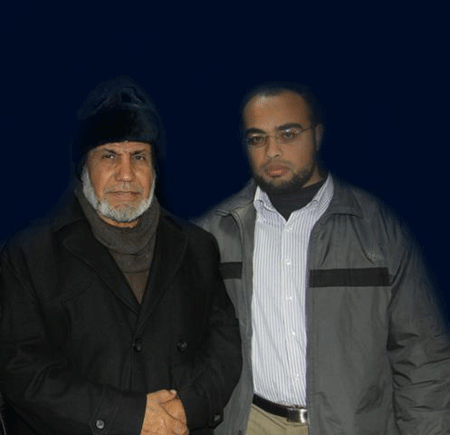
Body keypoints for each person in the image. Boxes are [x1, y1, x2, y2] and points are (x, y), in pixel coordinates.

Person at [197, 82, 450, 434]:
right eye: (257, 138)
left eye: (288, 134)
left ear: (317, 135)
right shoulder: (215, 233)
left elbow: (421, 357)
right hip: (253, 423)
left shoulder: (378, 230)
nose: (272, 151)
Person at [0, 78, 241, 435]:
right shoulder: (29, 255)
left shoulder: (197, 247)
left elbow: (224, 349)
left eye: (139, 157)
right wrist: (129, 416)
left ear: (155, 168)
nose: (126, 174)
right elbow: (22, 370)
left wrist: (186, 409)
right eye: (109, 155)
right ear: (84, 166)